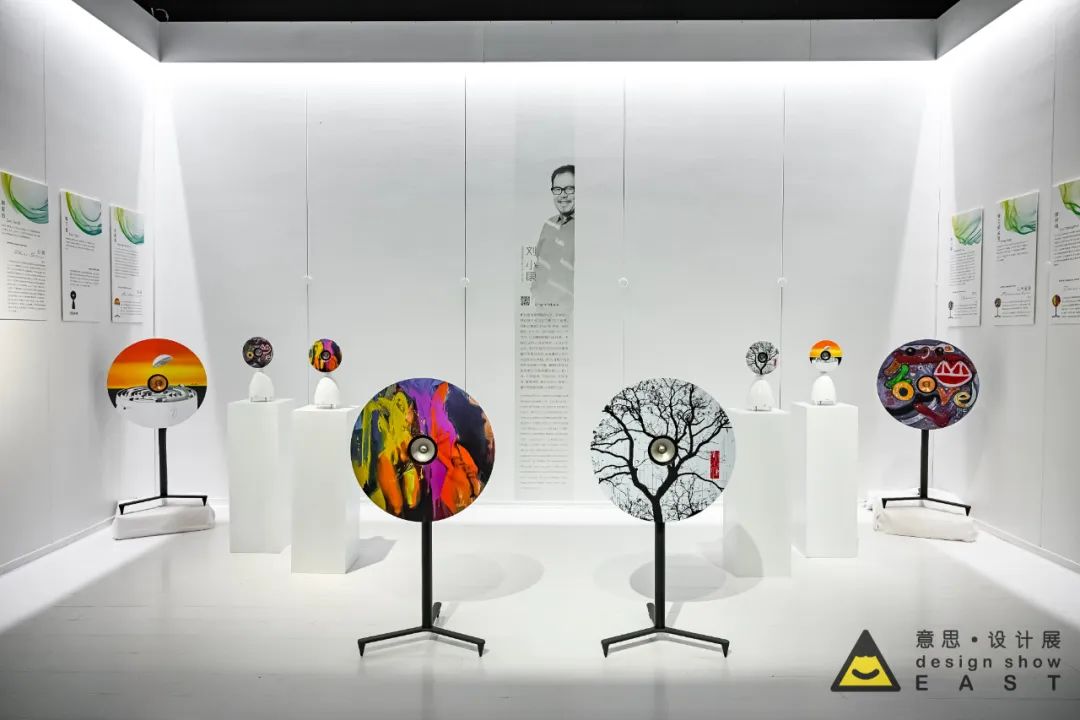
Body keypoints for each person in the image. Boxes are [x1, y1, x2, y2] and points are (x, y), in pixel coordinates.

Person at [531, 164, 575, 307]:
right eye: (557, 189)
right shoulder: (548, 224)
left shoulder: (588, 227)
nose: (563, 195)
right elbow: (538, 265)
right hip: (543, 312)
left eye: (569, 189)